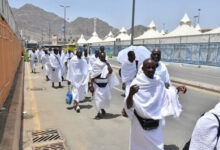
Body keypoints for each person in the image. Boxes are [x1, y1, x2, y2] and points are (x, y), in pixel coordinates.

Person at [125, 58, 187, 150]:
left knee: (157, 147)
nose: (150, 70)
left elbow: (166, 94)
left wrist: (177, 89)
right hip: (139, 124)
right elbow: (129, 105)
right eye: (148, 67)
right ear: (143, 69)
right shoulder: (136, 83)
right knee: (139, 147)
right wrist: (130, 94)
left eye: (153, 67)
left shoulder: (158, 81)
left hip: (155, 124)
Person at [90, 52, 119, 119]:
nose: (103, 58)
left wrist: (108, 64)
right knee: (97, 100)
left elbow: (111, 72)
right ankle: (98, 113)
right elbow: (92, 76)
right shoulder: (95, 64)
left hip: (105, 84)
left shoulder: (106, 64)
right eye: (102, 57)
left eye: (104, 57)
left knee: (106, 99)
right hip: (97, 85)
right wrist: (91, 86)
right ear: (99, 57)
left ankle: (102, 109)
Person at [121, 51, 137, 117]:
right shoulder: (125, 63)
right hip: (127, 82)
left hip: (134, 81)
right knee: (127, 96)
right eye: (133, 56)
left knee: (134, 97)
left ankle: (125, 109)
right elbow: (123, 73)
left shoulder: (134, 62)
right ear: (129, 56)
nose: (134, 57)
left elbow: (135, 71)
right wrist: (123, 83)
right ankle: (125, 109)